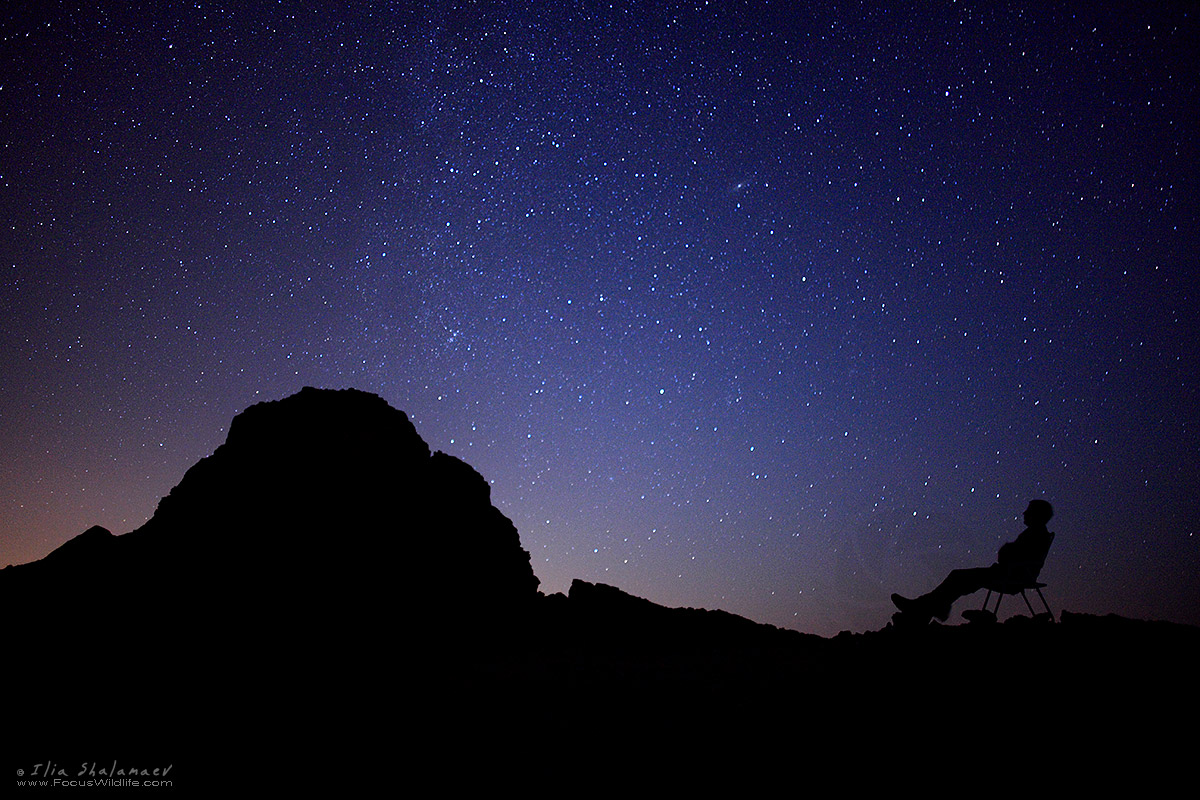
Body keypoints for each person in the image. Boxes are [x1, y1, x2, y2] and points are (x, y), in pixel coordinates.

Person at [890, 499, 1054, 625]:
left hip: (1011, 577)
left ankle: (925, 608)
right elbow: (1011, 556)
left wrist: (1007, 553)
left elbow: (1009, 557)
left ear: (1037, 514)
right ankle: (927, 609)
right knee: (960, 579)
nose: (1024, 513)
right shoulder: (1036, 534)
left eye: (1028, 511)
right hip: (1011, 574)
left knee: (958, 578)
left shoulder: (1034, 535)